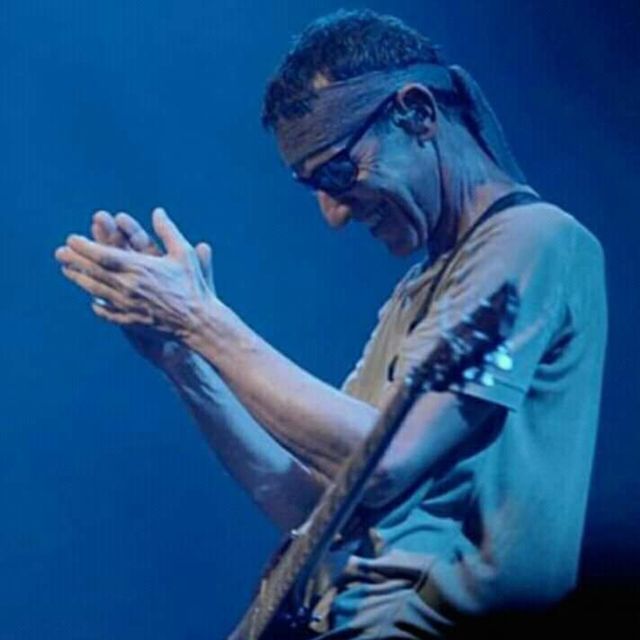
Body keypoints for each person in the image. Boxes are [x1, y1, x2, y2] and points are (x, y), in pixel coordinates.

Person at [54, 9, 607, 639]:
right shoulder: (412, 296)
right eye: (314, 187)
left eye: (339, 174)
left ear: (416, 113)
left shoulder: (536, 239)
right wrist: (183, 358)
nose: (334, 216)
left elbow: (387, 461)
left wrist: (201, 319)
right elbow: (318, 506)